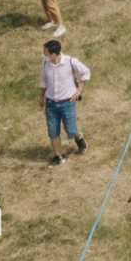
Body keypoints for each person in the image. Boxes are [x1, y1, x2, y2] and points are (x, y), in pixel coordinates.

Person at [39, 38, 89, 166]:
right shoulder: (45, 64)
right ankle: (58, 157)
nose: (44, 56)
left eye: (46, 53)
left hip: (67, 102)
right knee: (52, 131)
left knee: (71, 130)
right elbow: (44, 81)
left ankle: (79, 137)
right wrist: (41, 97)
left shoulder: (70, 62)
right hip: (51, 103)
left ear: (54, 54)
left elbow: (86, 72)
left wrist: (79, 90)